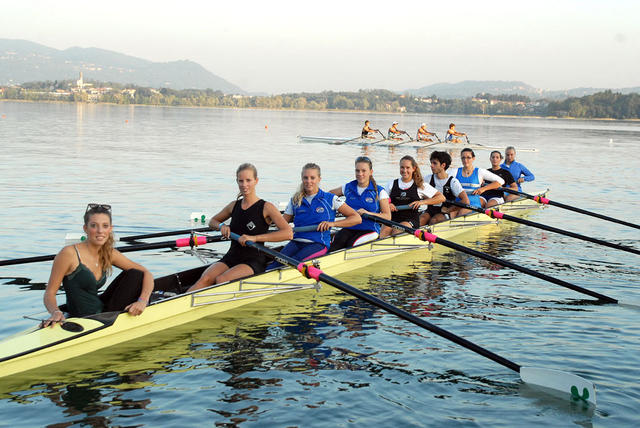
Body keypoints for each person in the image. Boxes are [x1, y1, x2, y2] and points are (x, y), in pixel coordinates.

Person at [42, 204, 154, 327]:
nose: (100, 231)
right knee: (136, 274)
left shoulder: (109, 253)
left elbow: (147, 273)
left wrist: (142, 301)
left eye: (105, 226)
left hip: (103, 312)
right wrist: (55, 311)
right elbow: (50, 293)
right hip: (81, 317)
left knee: (136, 274)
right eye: (94, 225)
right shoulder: (68, 254)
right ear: (85, 228)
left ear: (110, 229)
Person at [188, 163, 292, 291]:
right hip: (232, 255)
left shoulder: (266, 207)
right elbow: (212, 221)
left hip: (253, 259)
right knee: (206, 279)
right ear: (237, 182)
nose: (244, 184)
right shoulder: (233, 206)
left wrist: (255, 238)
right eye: (240, 181)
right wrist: (221, 226)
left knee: (221, 280)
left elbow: (288, 233)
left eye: (248, 180)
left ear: (256, 181)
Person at [266, 163, 360, 269]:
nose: (308, 181)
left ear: (319, 179)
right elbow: (282, 225)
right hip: (296, 242)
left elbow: (356, 218)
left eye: (312, 178)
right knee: (274, 265)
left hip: (318, 244)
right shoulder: (295, 200)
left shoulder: (330, 199)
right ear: (302, 179)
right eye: (305, 178)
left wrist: (332, 223)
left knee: (292, 264)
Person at [329, 156, 391, 251]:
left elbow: (387, 216)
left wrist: (368, 213)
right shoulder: (348, 187)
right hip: (350, 227)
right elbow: (329, 195)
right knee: (336, 243)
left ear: (371, 172)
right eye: (357, 171)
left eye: (363, 171)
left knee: (351, 244)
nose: (360, 174)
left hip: (370, 230)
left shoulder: (379, 191)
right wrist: (339, 206)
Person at [380, 155, 445, 237]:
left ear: (413, 169)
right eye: (402, 167)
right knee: (384, 231)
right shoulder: (391, 184)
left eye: (407, 168)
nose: (404, 170)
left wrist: (422, 202)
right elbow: (382, 199)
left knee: (397, 230)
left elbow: (441, 197)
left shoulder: (420, 185)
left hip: (410, 220)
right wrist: (388, 204)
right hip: (393, 218)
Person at [420, 151, 470, 225]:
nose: (431, 166)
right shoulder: (427, 179)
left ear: (443, 165)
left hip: (444, 213)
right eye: (431, 163)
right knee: (420, 220)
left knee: (434, 220)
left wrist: (449, 209)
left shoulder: (453, 182)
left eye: (434, 163)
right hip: (430, 210)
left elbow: (466, 201)